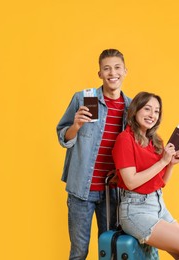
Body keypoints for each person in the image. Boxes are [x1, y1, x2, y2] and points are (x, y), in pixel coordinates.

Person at [56, 49, 131, 259]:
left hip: (113, 191)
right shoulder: (82, 98)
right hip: (82, 189)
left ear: (125, 71)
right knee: (79, 252)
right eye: (106, 68)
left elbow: (139, 145)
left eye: (117, 68)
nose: (112, 73)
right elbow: (63, 136)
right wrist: (76, 125)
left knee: (110, 250)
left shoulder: (132, 107)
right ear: (99, 73)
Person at [112, 92, 179, 260]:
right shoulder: (125, 139)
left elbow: (160, 183)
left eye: (156, 111)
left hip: (158, 205)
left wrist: (171, 164)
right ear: (135, 111)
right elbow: (130, 182)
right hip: (135, 210)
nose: (152, 115)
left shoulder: (156, 141)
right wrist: (162, 162)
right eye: (147, 109)